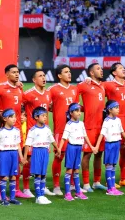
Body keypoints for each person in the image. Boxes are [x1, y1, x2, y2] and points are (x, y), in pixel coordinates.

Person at [0, 64, 30, 198]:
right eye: (13, 72)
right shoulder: (0, 88)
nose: (16, 74)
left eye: (17, 72)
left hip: (17, 130)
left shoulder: (20, 89)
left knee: (17, 160)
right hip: (4, 131)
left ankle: (16, 190)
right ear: (7, 74)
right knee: (3, 161)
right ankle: (0, 191)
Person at [76, 63, 107, 192]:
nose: (101, 70)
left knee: (99, 154)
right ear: (91, 73)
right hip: (89, 126)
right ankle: (86, 184)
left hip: (101, 126)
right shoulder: (84, 85)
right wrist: (83, 109)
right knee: (87, 154)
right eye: (98, 69)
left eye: (101, 68)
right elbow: (72, 94)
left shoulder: (103, 86)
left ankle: (97, 182)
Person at [102, 63, 125, 188]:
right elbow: (98, 89)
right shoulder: (108, 85)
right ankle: (109, 180)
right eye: (120, 68)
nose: (123, 69)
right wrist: (88, 80)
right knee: (112, 150)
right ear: (114, 73)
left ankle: (123, 179)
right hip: (114, 121)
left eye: (123, 68)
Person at [22, 70, 52, 196]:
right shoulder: (28, 94)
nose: (43, 78)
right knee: (29, 160)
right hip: (32, 132)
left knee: (44, 159)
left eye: (44, 75)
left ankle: (42, 185)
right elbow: (19, 105)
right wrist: (22, 115)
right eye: (40, 76)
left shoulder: (48, 93)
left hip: (45, 132)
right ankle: (26, 188)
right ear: (34, 80)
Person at [48, 64, 76, 195]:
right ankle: (56, 186)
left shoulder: (74, 89)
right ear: (59, 75)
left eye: (69, 71)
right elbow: (46, 104)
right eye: (66, 72)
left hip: (74, 130)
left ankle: (71, 184)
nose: (69, 74)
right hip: (60, 129)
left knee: (73, 156)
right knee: (59, 156)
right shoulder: (53, 89)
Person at [58, 103, 94, 201]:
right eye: (77, 111)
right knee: (69, 170)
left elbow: (85, 136)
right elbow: (64, 138)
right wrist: (59, 149)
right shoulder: (69, 125)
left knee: (77, 170)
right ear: (71, 113)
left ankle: (78, 192)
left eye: (80, 111)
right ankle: (67, 193)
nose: (79, 113)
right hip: (71, 148)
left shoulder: (81, 123)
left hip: (79, 148)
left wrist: (91, 147)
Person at [24, 107, 59, 205]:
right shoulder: (33, 130)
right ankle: (38, 196)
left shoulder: (47, 128)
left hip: (45, 152)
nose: (45, 118)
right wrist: (24, 156)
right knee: (38, 174)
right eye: (43, 116)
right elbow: (27, 144)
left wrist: (57, 148)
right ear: (36, 117)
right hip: (37, 152)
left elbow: (52, 140)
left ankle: (42, 195)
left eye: (46, 116)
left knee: (43, 174)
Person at [0, 109, 26, 206]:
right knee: (4, 176)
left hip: (14, 154)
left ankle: (12, 198)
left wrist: (21, 157)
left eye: (15, 116)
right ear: (4, 119)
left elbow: (18, 145)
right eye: (11, 117)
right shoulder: (0, 131)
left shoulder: (16, 130)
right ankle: (3, 199)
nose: (14, 119)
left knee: (13, 176)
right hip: (4, 155)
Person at [95, 100, 125, 196]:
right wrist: (97, 146)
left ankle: (113, 187)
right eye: (116, 108)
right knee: (109, 166)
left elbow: (121, 131)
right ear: (109, 109)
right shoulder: (107, 121)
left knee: (113, 166)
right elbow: (102, 134)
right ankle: (110, 189)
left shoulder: (118, 120)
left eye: (118, 107)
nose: (118, 109)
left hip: (117, 144)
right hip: (109, 145)